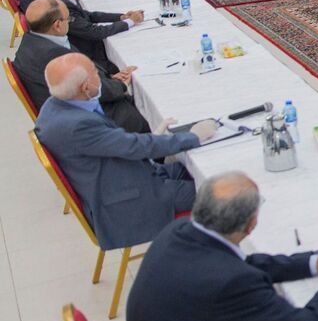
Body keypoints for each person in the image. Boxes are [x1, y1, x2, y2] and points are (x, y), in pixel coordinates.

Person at [127, 171, 318, 321]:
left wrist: (314, 262)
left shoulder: (179, 231)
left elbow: (240, 264)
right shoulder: (231, 283)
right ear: (251, 225)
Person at [35, 53, 214, 250]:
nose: (101, 78)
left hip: (125, 176)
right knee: (218, 193)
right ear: (85, 87)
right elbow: (134, 146)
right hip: (129, 201)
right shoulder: (77, 125)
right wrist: (193, 137)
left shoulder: (53, 106)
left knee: (197, 168)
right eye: (95, 73)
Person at [13, 0, 150, 134]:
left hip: (65, 107)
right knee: (147, 108)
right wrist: (120, 84)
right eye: (68, 19)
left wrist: (110, 78)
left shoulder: (32, 40)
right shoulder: (54, 53)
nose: (70, 22)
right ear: (57, 25)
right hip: (84, 118)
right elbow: (92, 91)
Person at [47, 0, 144, 73]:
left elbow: (88, 15)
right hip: (88, 57)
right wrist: (130, 22)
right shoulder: (62, 7)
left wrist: (121, 17)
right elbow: (94, 32)